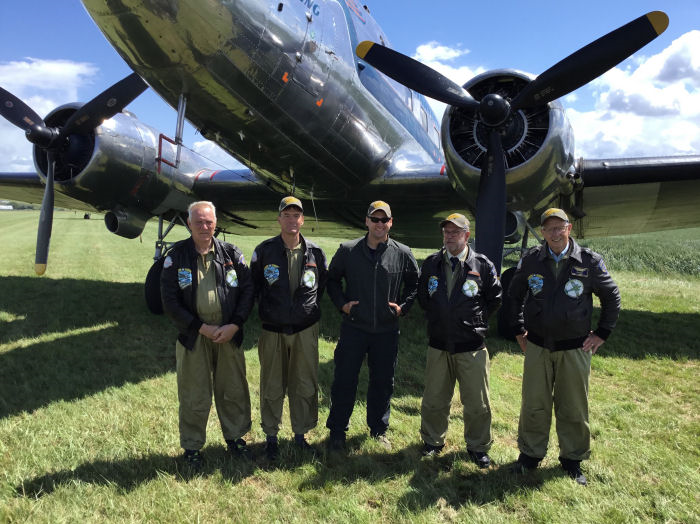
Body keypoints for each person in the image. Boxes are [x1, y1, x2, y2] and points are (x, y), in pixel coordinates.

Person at [508, 208, 621, 485]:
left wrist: (602, 333)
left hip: (575, 348)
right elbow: (514, 296)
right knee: (534, 404)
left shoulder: (589, 261)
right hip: (537, 346)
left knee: (573, 407)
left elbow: (611, 296)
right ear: (543, 232)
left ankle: (572, 460)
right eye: (549, 229)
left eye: (560, 228)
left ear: (569, 229)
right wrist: (519, 330)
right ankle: (530, 456)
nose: (555, 234)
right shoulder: (532, 260)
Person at [161, 201, 255, 469]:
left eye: (209, 222)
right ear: (189, 224)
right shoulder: (175, 256)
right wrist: (200, 327)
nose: (205, 226)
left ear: (216, 223)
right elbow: (169, 301)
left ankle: (236, 439)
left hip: (228, 333)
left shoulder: (231, 253)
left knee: (233, 389)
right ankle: (192, 447)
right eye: (199, 222)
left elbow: (247, 291)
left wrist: (235, 325)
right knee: (194, 393)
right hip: (194, 335)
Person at [325, 200, 419, 451]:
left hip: (386, 331)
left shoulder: (402, 252)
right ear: (366, 221)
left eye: (383, 220)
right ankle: (337, 431)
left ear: (390, 222)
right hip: (354, 327)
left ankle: (378, 429)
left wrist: (403, 307)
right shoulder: (348, 250)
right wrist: (342, 304)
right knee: (344, 380)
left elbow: (415, 284)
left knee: (383, 382)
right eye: (374, 219)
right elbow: (332, 280)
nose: (379, 224)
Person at [417, 213, 502, 468]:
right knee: (434, 399)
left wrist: (473, 319)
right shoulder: (432, 263)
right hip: (439, 344)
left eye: (456, 232)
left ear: (467, 235)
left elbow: (494, 299)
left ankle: (478, 447)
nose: (450, 236)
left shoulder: (482, 264)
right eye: (446, 232)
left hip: (471, 346)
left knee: (477, 403)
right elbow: (424, 296)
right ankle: (432, 441)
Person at [250, 196, 328, 460]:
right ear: (279, 219)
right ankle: (271, 436)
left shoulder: (315, 253)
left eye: (297, 215)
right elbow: (255, 288)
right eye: (287, 214)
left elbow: (321, 289)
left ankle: (301, 434)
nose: (292, 220)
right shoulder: (264, 251)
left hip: (305, 331)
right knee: (272, 384)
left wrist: (305, 313)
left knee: (304, 383)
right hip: (273, 330)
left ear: (302, 220)